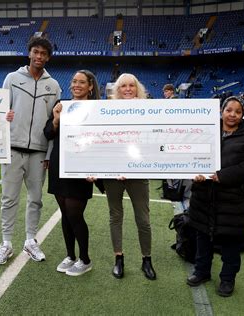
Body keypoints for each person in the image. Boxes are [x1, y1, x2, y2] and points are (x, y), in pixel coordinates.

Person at [186, 96, 244, 297]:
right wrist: (193, 173)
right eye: (228, 110)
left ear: (242, 114)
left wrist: (222, 176)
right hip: (204, 198)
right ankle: (201, 272)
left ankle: (227, 279)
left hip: (234, 202)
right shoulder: (206, 133)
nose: (232, 115)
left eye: (237, 112)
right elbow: (189, 156)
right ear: (221, 111)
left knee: (231, 245)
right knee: (202, 239)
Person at [0, 36, 61, 265]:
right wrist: (4, 118)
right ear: (29, 53)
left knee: (36, 199)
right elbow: (0, 112)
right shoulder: (12, 78)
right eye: (36, 52)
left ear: (48, 57)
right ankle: (6, 243)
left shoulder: (54, 86)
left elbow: (55, 123)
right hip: (12, 149)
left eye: (43, 53)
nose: (39, 56)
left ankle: (31, 240)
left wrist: (49, 153)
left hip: (39, 153)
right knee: (8, 199)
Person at [44, 70, 100, 276]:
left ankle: (85, 259)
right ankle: (70, 256)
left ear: (90, 86)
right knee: (65, 215)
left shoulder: (97, 109)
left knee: (75, 213)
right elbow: (48, 132)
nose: (76, 85)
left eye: (82, 82)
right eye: (74, 81)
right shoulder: (61, 104)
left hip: (82, 166)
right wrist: (57, 119)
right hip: (60, 164)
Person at [103, 73, 156, 280]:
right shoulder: (106, 111)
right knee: (115, 216)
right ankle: (119, 258)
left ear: (137, 88)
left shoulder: (148, 110)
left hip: (138, 172)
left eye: (131, 86)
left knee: (143, 218)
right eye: (123, 86)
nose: (127, 89)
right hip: (113, 173)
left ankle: (147, 260)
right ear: (117, 89)